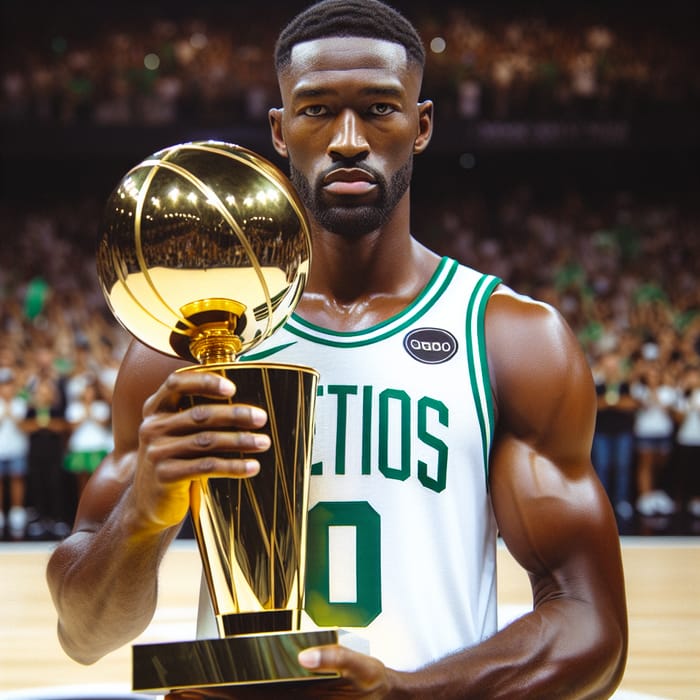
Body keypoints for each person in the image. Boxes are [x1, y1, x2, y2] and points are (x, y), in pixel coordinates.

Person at [47, 1, 628, 697]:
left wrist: (406, 691)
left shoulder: (510, 338)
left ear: (422, 126)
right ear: (280, 131)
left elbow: (592, 626)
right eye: (317, 109)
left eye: (380, 109)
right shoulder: (185, 351)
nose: (348, 139)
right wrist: (145, 511)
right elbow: (84, 635)